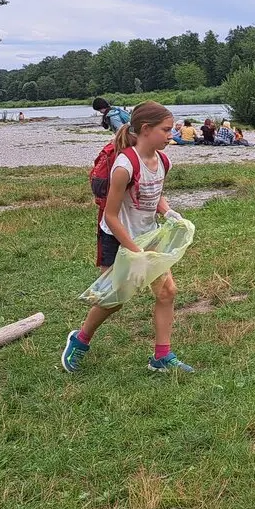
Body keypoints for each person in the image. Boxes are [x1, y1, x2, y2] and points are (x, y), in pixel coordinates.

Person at [60, 101, 194, 374]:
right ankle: (80, 340)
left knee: (167, 292)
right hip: (119, 238)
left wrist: (168, 212)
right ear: (146, 130)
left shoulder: (162, 160)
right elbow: (110, 215)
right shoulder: (124, 166)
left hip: (147, 236)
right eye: (166, 130)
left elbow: (153, 195)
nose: (172, 135)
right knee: (114, 299)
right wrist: (135, 251)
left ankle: (161, 357)